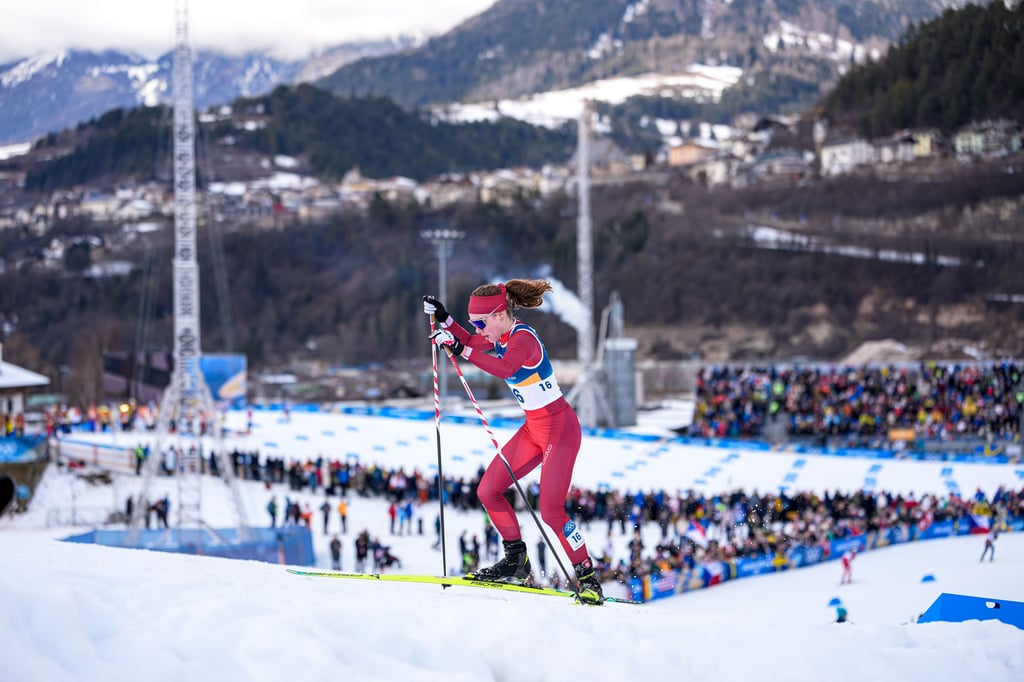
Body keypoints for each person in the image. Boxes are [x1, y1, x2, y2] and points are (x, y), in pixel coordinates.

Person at [423, 279, 604, 604]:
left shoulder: (522, 339)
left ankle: (588, 578)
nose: (478, 330)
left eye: (481, 323)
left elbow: (505, 367)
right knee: (487, 490)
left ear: (499, 314)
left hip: (560, 430)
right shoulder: (500, 335)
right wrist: (445, 319)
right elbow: (470, 342)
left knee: (550, 511)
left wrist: (460, 347)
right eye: (474, 324)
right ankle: (516, 559)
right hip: (533, 430)